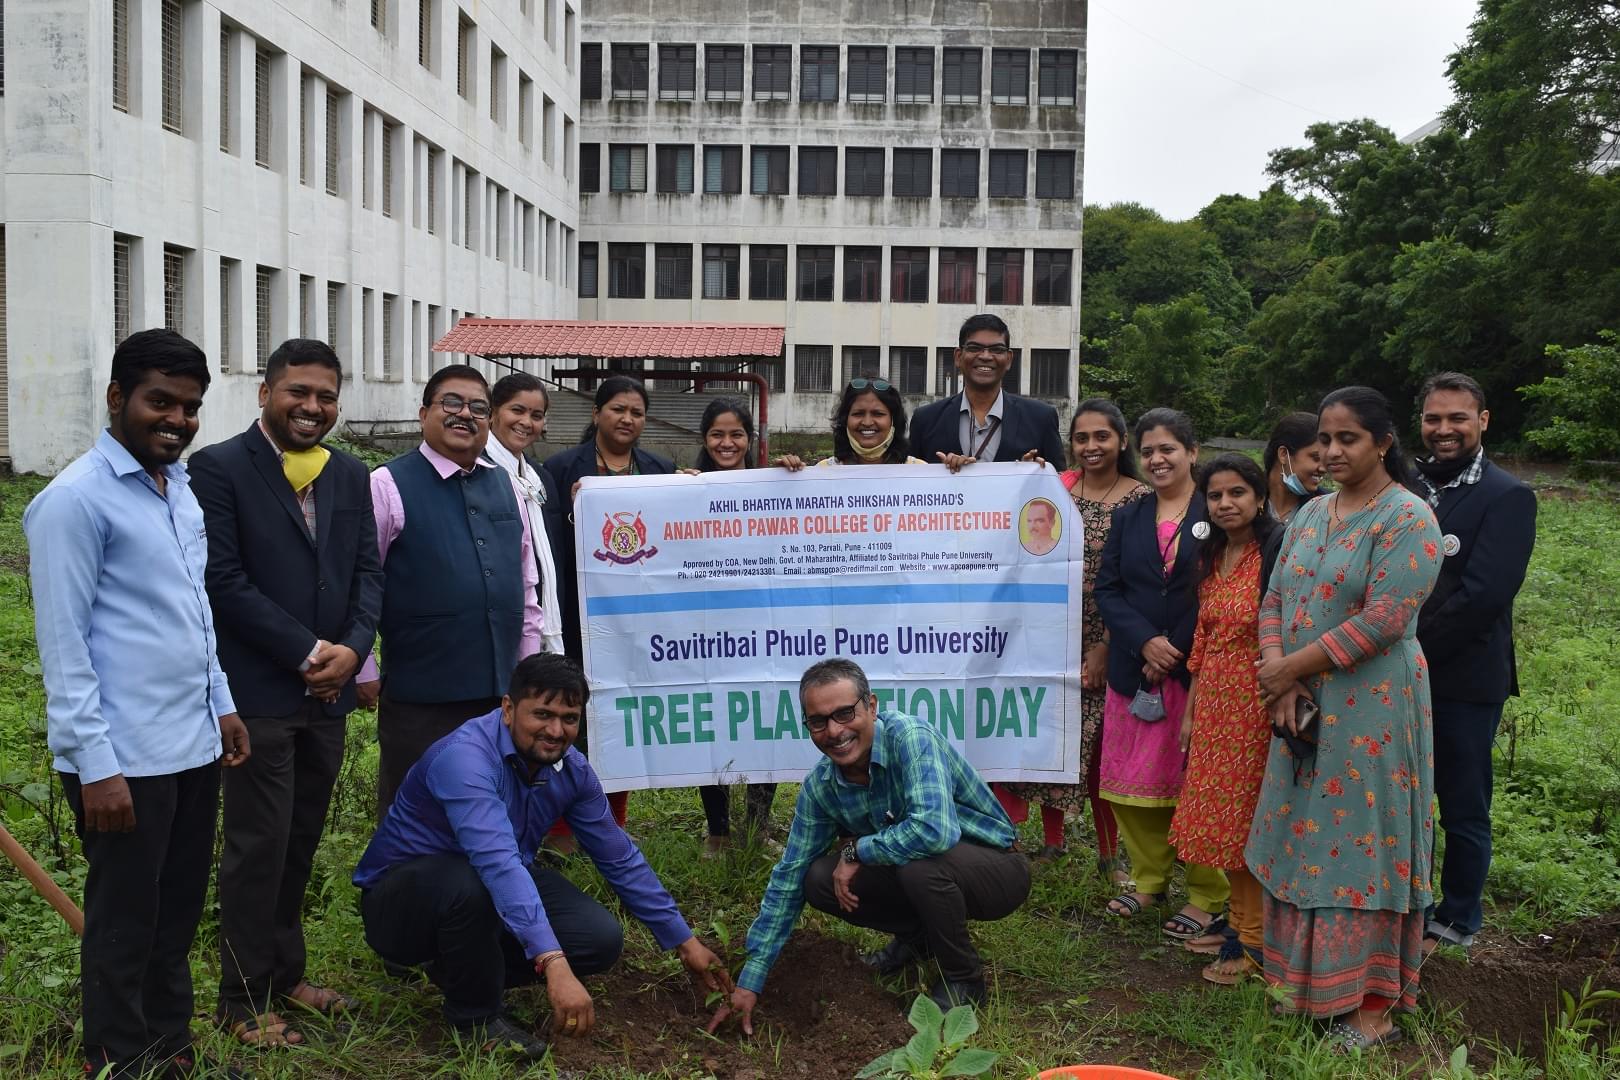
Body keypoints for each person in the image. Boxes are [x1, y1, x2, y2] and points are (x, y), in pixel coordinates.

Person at [25, 329, 252, 1079]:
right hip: (122, 760)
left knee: (177, 913)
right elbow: (65, 651)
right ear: (118, 397)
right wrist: (96, 767)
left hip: (190, 744)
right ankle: (117, 1060)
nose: (177, 419)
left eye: (190, 407)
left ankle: (168, 1046)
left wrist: (220, 702)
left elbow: (192, 615)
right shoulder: (74, 502)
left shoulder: (176, 490)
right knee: (125, 923)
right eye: (161, 401)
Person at [353, 654, 732, 1059]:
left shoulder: (571, 769)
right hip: (402, 906)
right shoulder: (465, 760)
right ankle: (475, 1019)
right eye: (542, 714)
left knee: (598, 939)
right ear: (508, 709)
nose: (556, 731)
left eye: (569, 718)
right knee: (471, 883)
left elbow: (618, 855)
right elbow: (497, 863)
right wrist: (553, 963)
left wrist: (683, 940)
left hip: (486, 886)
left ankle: (461, 971)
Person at [188, 338, 384, 1046]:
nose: (312, 407)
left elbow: (368, 574)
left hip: (327, 698)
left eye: (326, 396)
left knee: (299, 839)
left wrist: (354, 650)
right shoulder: (217, 469)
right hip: (259, 696)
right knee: (256, 846)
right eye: (297, 391)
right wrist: (308, 651)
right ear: (263, 392)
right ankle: (239, 1001)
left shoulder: (350, 474)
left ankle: (286, 975)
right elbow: (224, 580)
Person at [1251, 386, 1441, 1051]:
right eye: (1324, 439)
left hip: (1373, 707)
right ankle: (1303, 987)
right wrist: (1279, 674)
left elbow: (1383, 622)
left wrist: (1289, 670)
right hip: (1299, 702)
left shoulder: (1408, 518)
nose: (1331, 451)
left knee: (1362, 846)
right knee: (1301, 836)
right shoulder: (1310, 515)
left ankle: (1369, 1009)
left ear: (1383, 442)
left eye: (1347, 439)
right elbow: (1273, 595)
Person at [708, 659, 1031, 1030]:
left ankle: (963, 980)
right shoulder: (821, 786)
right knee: (815, 878)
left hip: (997, 867)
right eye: (818, 721)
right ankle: (918, 938)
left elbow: (934, 831)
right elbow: (789, 876)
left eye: (845, 713)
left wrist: (855, 850)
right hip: (927, 871)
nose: (834, 730)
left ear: (872, 706)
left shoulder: (910, 737)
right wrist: (751, 979)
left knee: (921, 866)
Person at [356, 364, 545, 816]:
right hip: (421, 696)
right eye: (452, 403)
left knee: (492, 812)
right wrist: (363, 665)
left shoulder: (507, 485)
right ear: (424, 414)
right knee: (414, 815)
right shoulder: (386, 484)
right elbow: (359, 580)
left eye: (478, 407)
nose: (466, 415)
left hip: (497, 695)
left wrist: (527, 670)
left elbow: (526, 586)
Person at [1093, 408, 1229, 939]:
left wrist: (1175, 646)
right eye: (1148, 450)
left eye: (1168, 448)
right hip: (1135, 669)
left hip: (1196, 674)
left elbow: (1226, 583)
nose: (1157, 459)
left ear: (1192, 453)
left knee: (1197, 786)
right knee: (1133, 788)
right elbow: (1108, 589)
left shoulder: (1216, 509)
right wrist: (1144, 641)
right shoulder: (1130, 515)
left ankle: (1206, 894)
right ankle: (1148, 881)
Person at [1412, 372, 1536, 953]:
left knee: (1461, 802)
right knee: (1401, 796)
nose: (1444, 430)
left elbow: (1484, 596)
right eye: (1434, 419)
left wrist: (1407, 648)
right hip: (1393, 677)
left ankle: (1459, 914)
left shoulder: (1506, 496)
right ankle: (1407, 899)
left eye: (1457, 418)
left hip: (1462, 677)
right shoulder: (1405, 485)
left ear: (1482, 421)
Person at [1001, 400, 1150, 876]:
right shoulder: (1058, 488)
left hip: (1111, 637)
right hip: (1050, 633)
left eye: (1102, 437)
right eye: (1081, 438)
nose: (1091, 447)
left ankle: (1111, 855)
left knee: (1104, 747)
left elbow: (1136, 580)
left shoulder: (1141, 500)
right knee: (1053, 737)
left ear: (1122, 442)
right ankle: (1052, 843)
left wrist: (1106, 643)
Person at [543, 375, 675, 837]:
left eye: (637, 412)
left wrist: (696, 489)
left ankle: (609, 824)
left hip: (638, 622)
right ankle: (559, 829)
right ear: (597, 413)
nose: (627, 419)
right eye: (618, 409)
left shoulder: (660, 469)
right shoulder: (559, 469)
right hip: (579, 621)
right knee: (568, 719)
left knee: (620, 718)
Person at [1166, 453, 1276, 984]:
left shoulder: (1272, 555)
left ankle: (1252, 942)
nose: (1226, 503)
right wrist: (1190, 712)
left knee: (1244, 824)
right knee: (1220, 821)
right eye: (1215, 495)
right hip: (1213, 705)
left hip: (1256, 706)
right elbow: (1204, 642)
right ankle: (1237, 922)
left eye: (1237, 493)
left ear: (1259, 497)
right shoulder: (1213, 557)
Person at [690, 399, 779, 856]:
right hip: (711, 631)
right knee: (716, 726)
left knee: (766, 724)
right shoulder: (687, 487)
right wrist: (671, 493)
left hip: (767, 630)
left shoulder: (774, 484)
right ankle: (718, 830)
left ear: (750, 439)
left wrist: (793, 476)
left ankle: (760, 829)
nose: (727, 443)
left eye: (736, 434)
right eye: (717, 435)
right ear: (704, 439)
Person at [480, 372, 566, 656]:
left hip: (541, 617)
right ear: (493, 412)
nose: (526, 423)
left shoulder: (538, 477)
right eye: (517, 410)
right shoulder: (477, 471)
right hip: (494, 618)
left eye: (536, 415)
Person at [909, 313, 1066, 467]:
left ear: (1009, 359)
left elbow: (1060, 482)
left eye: (996, 349)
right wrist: (943, 474)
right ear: (958, 357)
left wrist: (1038, 473)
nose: (985, 356)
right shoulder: (926, 419)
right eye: (975, 348)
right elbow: (910, 484)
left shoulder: (1040, 418)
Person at [776, 378, 927, 469]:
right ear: (844, 419)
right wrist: (784, 480)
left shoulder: (919, 472)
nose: (867, 422)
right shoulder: (823, 473)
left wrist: (950, 475)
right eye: (858, 414)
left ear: (893, 420)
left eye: (878, 414)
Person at [1263, 412, 1328, 525]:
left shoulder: (1327, 509)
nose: (1323, 469)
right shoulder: (1247, 500)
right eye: (1316, 458)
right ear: (1283, 455)